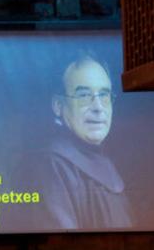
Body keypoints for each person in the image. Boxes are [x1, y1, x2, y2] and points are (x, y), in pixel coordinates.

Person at [13, 52, 134, 231]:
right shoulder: (50, 165)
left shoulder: (107, 162)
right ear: (58, 106)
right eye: (84, 95)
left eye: (104, 95)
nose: (98, 107)